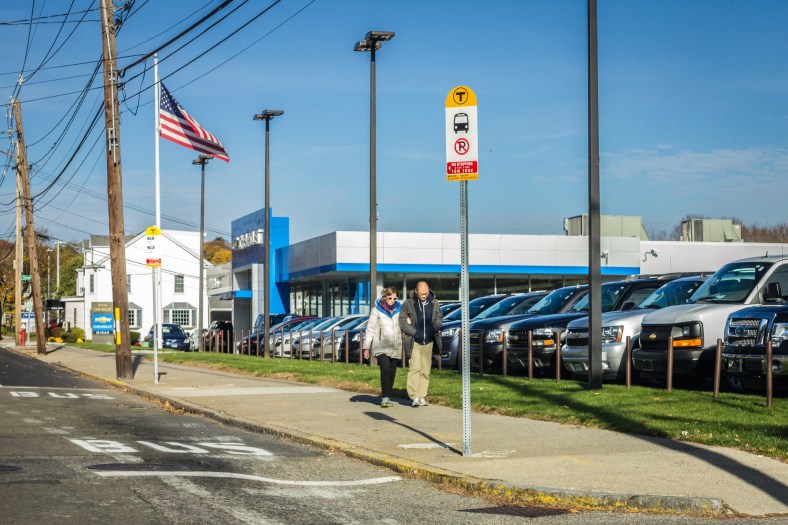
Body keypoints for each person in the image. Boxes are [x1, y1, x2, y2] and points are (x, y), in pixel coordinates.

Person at [399, 281, 443, 407]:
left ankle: (422, 396)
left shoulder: (434, 303)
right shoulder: (408, 304)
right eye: (422, 294)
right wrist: (414, 332)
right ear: (416, 291)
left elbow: (440, 318)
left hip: (429, 341)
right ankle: (414, 396)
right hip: (414, 341)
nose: (424, 296)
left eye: (426, 293)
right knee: (415, 368)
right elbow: (402, 322)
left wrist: (433, 328)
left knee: (425, 370)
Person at [363, 287, 403, 408]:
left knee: (392, 372)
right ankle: (385, 398)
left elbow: (404, 324)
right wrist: (366, 347)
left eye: (395, 298)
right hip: (380, 344)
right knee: (385, 369)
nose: (392, 300)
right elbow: (370, 329)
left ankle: (387, 395)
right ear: (385, 297)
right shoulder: (376, 310)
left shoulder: (400, 309)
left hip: (396, 345)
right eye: (390, 298)